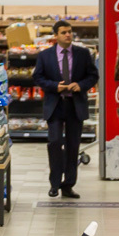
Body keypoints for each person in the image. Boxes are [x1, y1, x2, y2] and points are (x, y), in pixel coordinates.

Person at [31, 21, 99, 199]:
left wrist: (81, 85)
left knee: (73, 145)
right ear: (56, 36)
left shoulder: (83, 54)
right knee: (54, 142)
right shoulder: (45, 55)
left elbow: (93, 75)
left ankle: (68, 185)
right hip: (55, 105)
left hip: (75, 105)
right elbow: (38, 77)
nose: (68, 35)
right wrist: (55, 86)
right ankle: (54, 183)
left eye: (69, 32)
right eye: (63, 32)